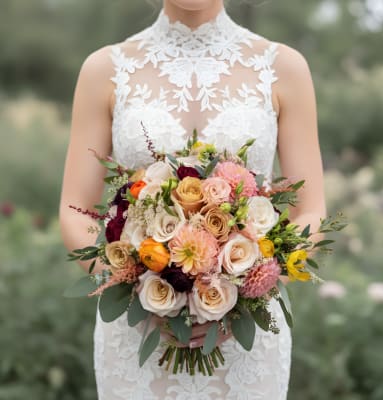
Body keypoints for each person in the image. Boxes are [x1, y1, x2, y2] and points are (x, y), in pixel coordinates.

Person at [59, 0, 326, 398]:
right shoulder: (105, 70)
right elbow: (73, 210)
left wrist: (245, 295)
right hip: (138, 331)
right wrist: (136, 286)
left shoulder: (284, 68)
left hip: (245, 340)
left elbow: (311, 209)